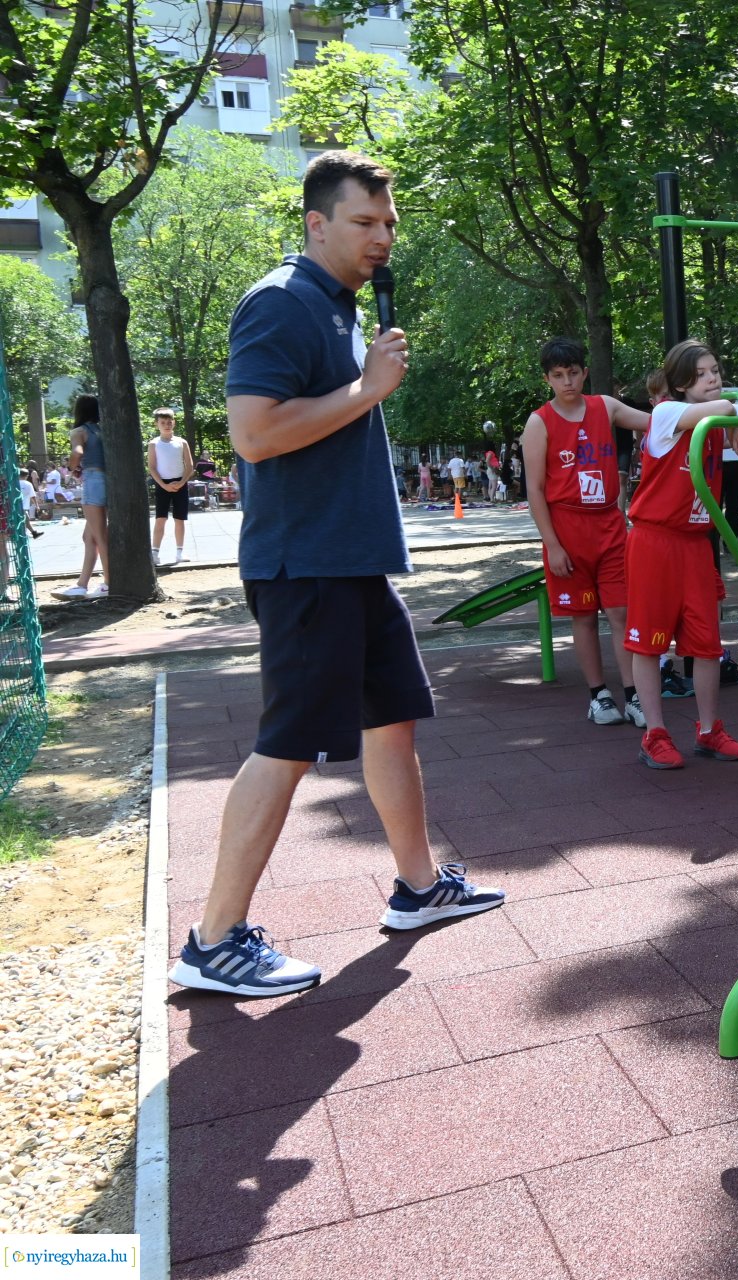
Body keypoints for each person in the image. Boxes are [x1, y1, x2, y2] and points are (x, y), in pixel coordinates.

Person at [170, 151, 505, 999]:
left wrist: (364, 383)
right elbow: (252, 435)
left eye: (389, 222)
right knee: (286, 747)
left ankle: (419, 888)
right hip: (307, 565)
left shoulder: (341, 306)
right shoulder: (282, 302)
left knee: (392, 721)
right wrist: (365, 390)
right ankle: (213, 942)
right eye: (365, 222)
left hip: (353, 561)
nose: (382, 236)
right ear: (317, 223)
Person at [624, 339, 738, 769]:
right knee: (649, 640)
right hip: (655, 541)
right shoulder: (666, 415)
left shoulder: (716, 418)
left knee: (707, 642)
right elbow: (716, 413)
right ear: (680, 383)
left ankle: (709, 728)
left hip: (696, 543)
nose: (713, 378)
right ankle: (654, 733)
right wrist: (732, 416)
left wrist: (735, 417)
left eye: (715, 370)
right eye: (702, 374)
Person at [523, 336, 650, 731]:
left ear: (584, 372)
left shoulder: (605, 407)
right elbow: (535, 491)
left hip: (609, 525)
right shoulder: (539, 422)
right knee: (582, 617)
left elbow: (655, 422)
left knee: (621, 611)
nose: (567, 382)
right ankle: (598, 694)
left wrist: (712, 414)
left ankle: (633, 694)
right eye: (558, 376)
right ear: (547, 379)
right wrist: (553, 545)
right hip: (567, 528)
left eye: (573, 373)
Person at [53, 395, 108, 599]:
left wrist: (71, 467)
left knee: (100, 537)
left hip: (93, 482)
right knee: (89, 537)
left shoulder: (79, 431)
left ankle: (109, 583)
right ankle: (81, 584)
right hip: (108, 481)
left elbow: (77, 452)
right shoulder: (104, 430)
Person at [147, 407, 193, 566]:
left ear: (174, 422)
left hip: (180, 483)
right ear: (156, 424)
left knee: (179, 519)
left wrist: (181, 482)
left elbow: (189, 466)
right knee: (161, 518)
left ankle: (180, 552)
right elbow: (152, 467)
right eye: (163, 422)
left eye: (169, 422)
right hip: (162, 485)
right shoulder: (154, 444)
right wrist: (164, 485)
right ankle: (154, 553)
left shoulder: (182, 442)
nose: (166, 425)